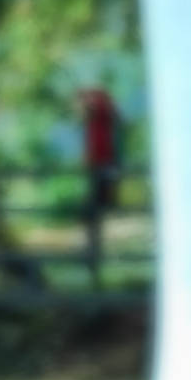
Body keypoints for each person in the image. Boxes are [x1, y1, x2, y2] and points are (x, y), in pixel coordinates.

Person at [80, 87, 122, 289]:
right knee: (92, 215)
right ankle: (92, 255)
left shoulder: (104, 115)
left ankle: (93, 256)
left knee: (95, 213)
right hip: (99, 168)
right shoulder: (95, 120)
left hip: (104, 168)